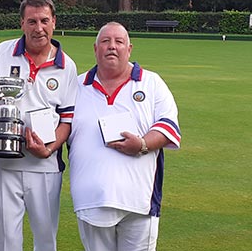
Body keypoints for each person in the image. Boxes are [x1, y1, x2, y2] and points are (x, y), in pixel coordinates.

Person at [0, 0, 78, 251]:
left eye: (44, 20)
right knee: (6, 241)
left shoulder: (67, 67)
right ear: (22, 23)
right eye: (31, 22)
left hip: (44, 165)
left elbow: (67, 120)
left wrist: (50, 149)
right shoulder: (2, 52)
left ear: (54, 21)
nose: (38, 28)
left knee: (45, 241)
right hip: (3, 162)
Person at [67, 22, 181, 251]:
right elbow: (58, 128)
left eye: (119, 42)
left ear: (129, 49)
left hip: (139, 202)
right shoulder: (75, 85)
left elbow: (168, 127)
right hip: (91, 201)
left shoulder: (151, 83)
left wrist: (141, 144)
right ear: (95, 48)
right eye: (105, 41)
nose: (112, 47)